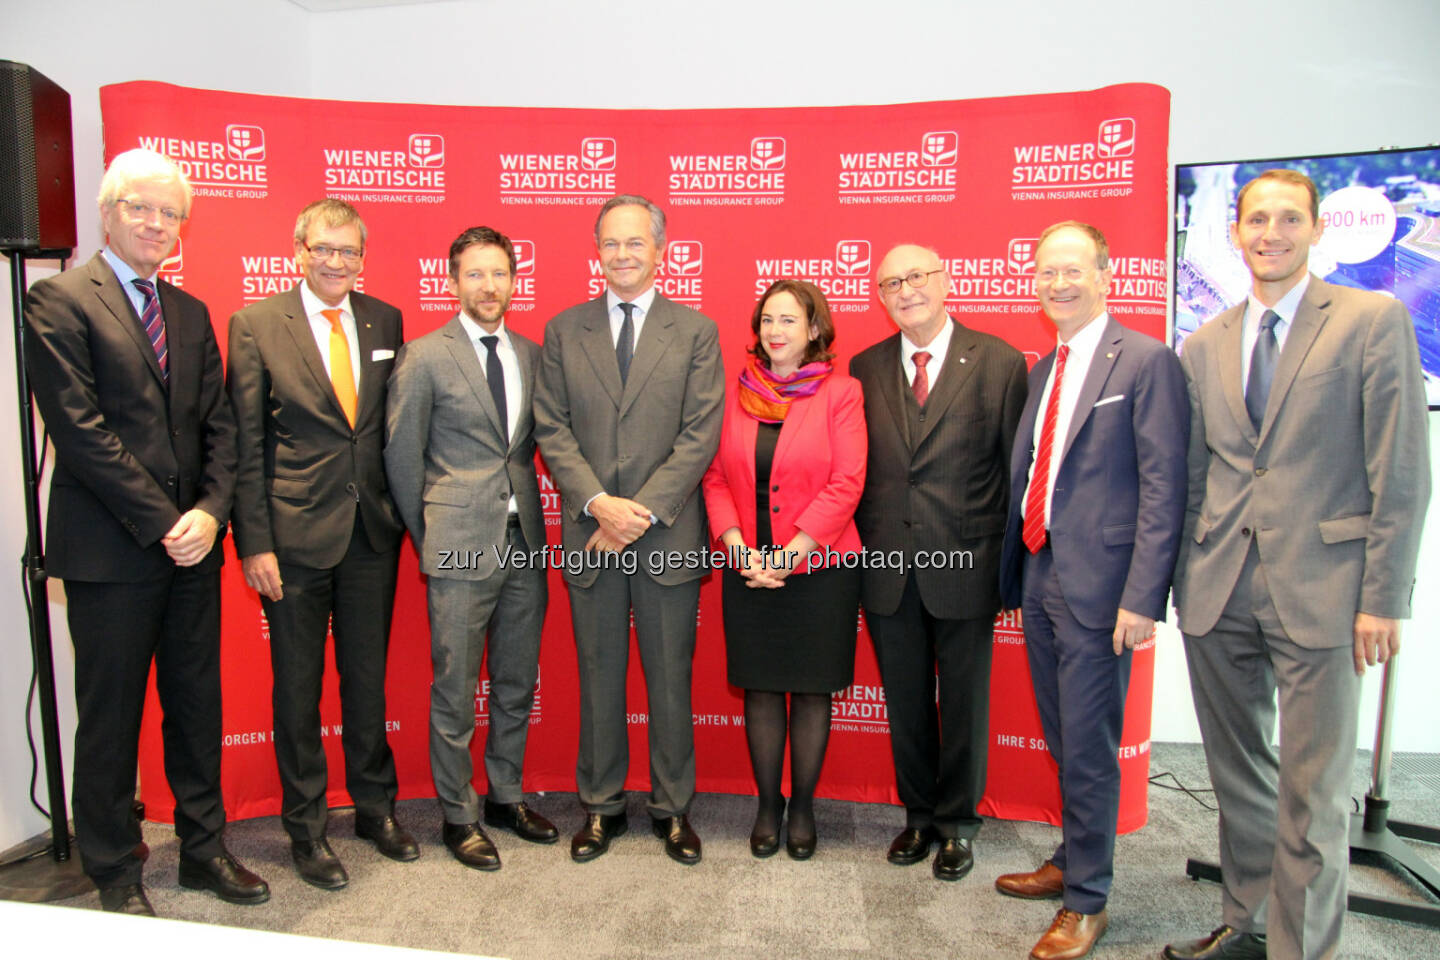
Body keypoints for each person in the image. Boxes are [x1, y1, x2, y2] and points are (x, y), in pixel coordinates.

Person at [1165, 170, 1430, 960]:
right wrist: (1181, 580)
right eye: (1255, 220)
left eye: (1287, 219)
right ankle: (1248, 925)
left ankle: (1299, 950)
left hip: (1327, 592)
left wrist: (1384, 597)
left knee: (1312, 793)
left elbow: (1401, 468)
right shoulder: (1204, 341)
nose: (1269, 233)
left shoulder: (1370, 320)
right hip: (1218, 590)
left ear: (1318, 229)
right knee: (1240, 777)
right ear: (1235, 233)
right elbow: (1193, 476)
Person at [24, 148, 267, 915]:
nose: (156, 224)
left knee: (197, 708)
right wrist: (167, 522)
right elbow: (82, 430)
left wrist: (208, 514)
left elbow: (222, 429)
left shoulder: (189, 313)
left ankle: (202, 849)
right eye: (142, 208)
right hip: (112, 553)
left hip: (193, 549)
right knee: (110, 719)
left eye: (170, 214)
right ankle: (114, 871)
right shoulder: (57, 301)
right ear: (108, 211)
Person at [997, 221, 1188, 960]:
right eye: (1046, 271)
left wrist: (1144, 596)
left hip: (1105, 588)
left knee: (1089, 744)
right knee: (1063, 733)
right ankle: (1074, 859)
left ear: (1106, 274)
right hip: (1043, 573)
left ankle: (1089, 902)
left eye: (1072, 269)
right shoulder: (1045, 369)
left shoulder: (1144, 361)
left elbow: (1165, 487)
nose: (1057, 283)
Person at [227, 199, 413, 890]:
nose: (336, 262)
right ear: (298, 249)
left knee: (366, 682)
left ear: (363, 256)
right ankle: (306, 828)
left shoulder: (384, 319)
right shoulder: (254, 324)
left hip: (371, 534)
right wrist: (255, 542)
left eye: (349, 251)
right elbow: (245, 441)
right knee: (297, 691)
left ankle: (374, 808)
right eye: (324, 248)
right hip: (292, 539)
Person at [533, 194, 724, 865]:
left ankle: (673, 810)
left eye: (634, 243)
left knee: (671, 678)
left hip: (665, 535)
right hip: (592, 533)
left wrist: (634, 513)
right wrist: (597, 504)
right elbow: (550, 427)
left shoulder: (695, 332)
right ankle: (602, 806)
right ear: (597, 252)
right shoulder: (564, 330)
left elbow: (700, 435)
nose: (621, 255)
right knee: (598, 674)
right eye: (610, 244)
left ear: (660, 249)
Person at [850, 244, 1027, 880]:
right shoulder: (864, 366)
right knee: (905, 701)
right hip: (888, 566)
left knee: (964, 702)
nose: (905, 290)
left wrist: (1011, 568)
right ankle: (918, 817)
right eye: (890, 283)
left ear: (947, 279)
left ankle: (957, 824)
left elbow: (1015, 475)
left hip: (967, 563)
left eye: (917, 276)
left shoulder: (1000, 362)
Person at [384, 226, 557, 871]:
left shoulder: (535, 356)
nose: (490, 286)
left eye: (500, 274)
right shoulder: (425, 355)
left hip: (525, 542)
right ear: (452, 281)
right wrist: (433, 538)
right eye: (476, 274)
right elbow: (402, 456)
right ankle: (458, 813)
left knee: (515, 679)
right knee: (456, 686)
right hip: (458, 542)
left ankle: (505, 795)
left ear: (515, 281)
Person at [701, 279, 866, 860]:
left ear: (815, 329)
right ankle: (768, 803)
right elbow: (715, 478)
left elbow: (847, 482)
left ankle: (803, 807)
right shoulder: (736, 393)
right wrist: (740, 548)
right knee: (762, 689)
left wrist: (790, 555)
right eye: (767, 320)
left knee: (812, 690)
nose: (775, 331)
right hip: (746, 565)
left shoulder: (841, 393)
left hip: (820, 568)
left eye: (789, 320)